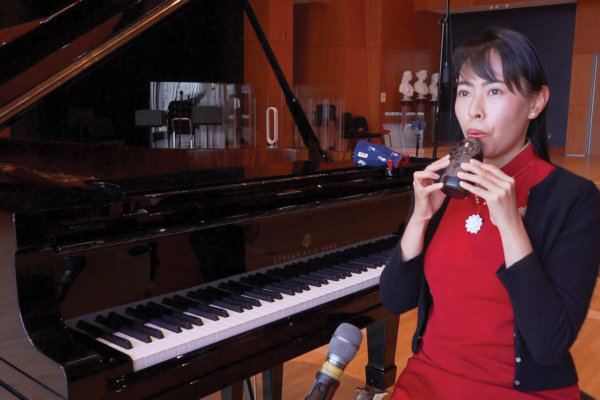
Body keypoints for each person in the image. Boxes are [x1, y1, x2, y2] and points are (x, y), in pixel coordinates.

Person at [379, 26, 600, 399]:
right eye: (465, 91)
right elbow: (394, 300)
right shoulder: (442, 185)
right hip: (429, 378)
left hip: (519, 391)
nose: (474, 110)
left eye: (494, 91)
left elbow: (549, 344)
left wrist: (512, 224)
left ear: (536, 103)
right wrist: (420, 217)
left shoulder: (574, 199)